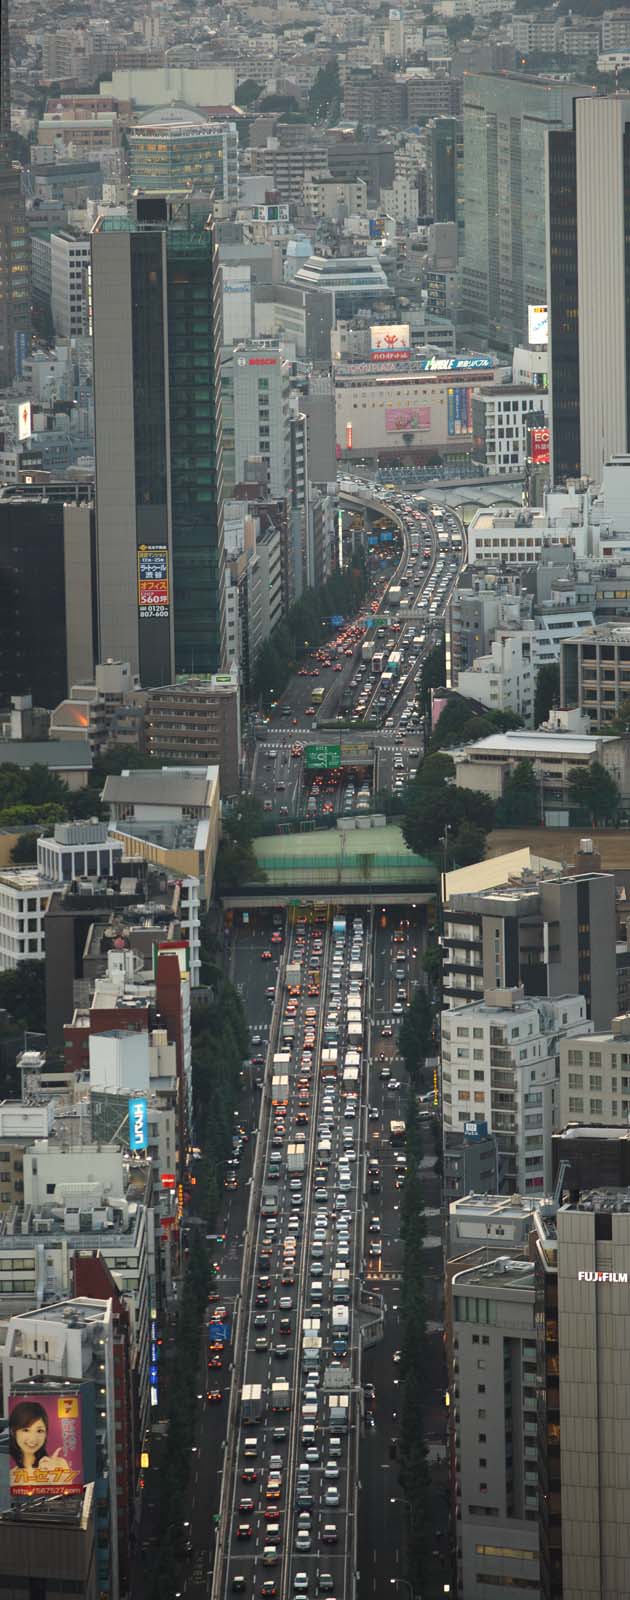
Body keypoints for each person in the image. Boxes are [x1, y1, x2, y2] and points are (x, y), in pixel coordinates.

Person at [9, 1400, 75, 1485]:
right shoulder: (11, 1475)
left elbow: (70, 1494)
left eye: (39, 1431)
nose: (33, 1438)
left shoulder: (58, 1464)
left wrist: (57, 1477)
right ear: (13, 1432)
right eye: (26, 1430)